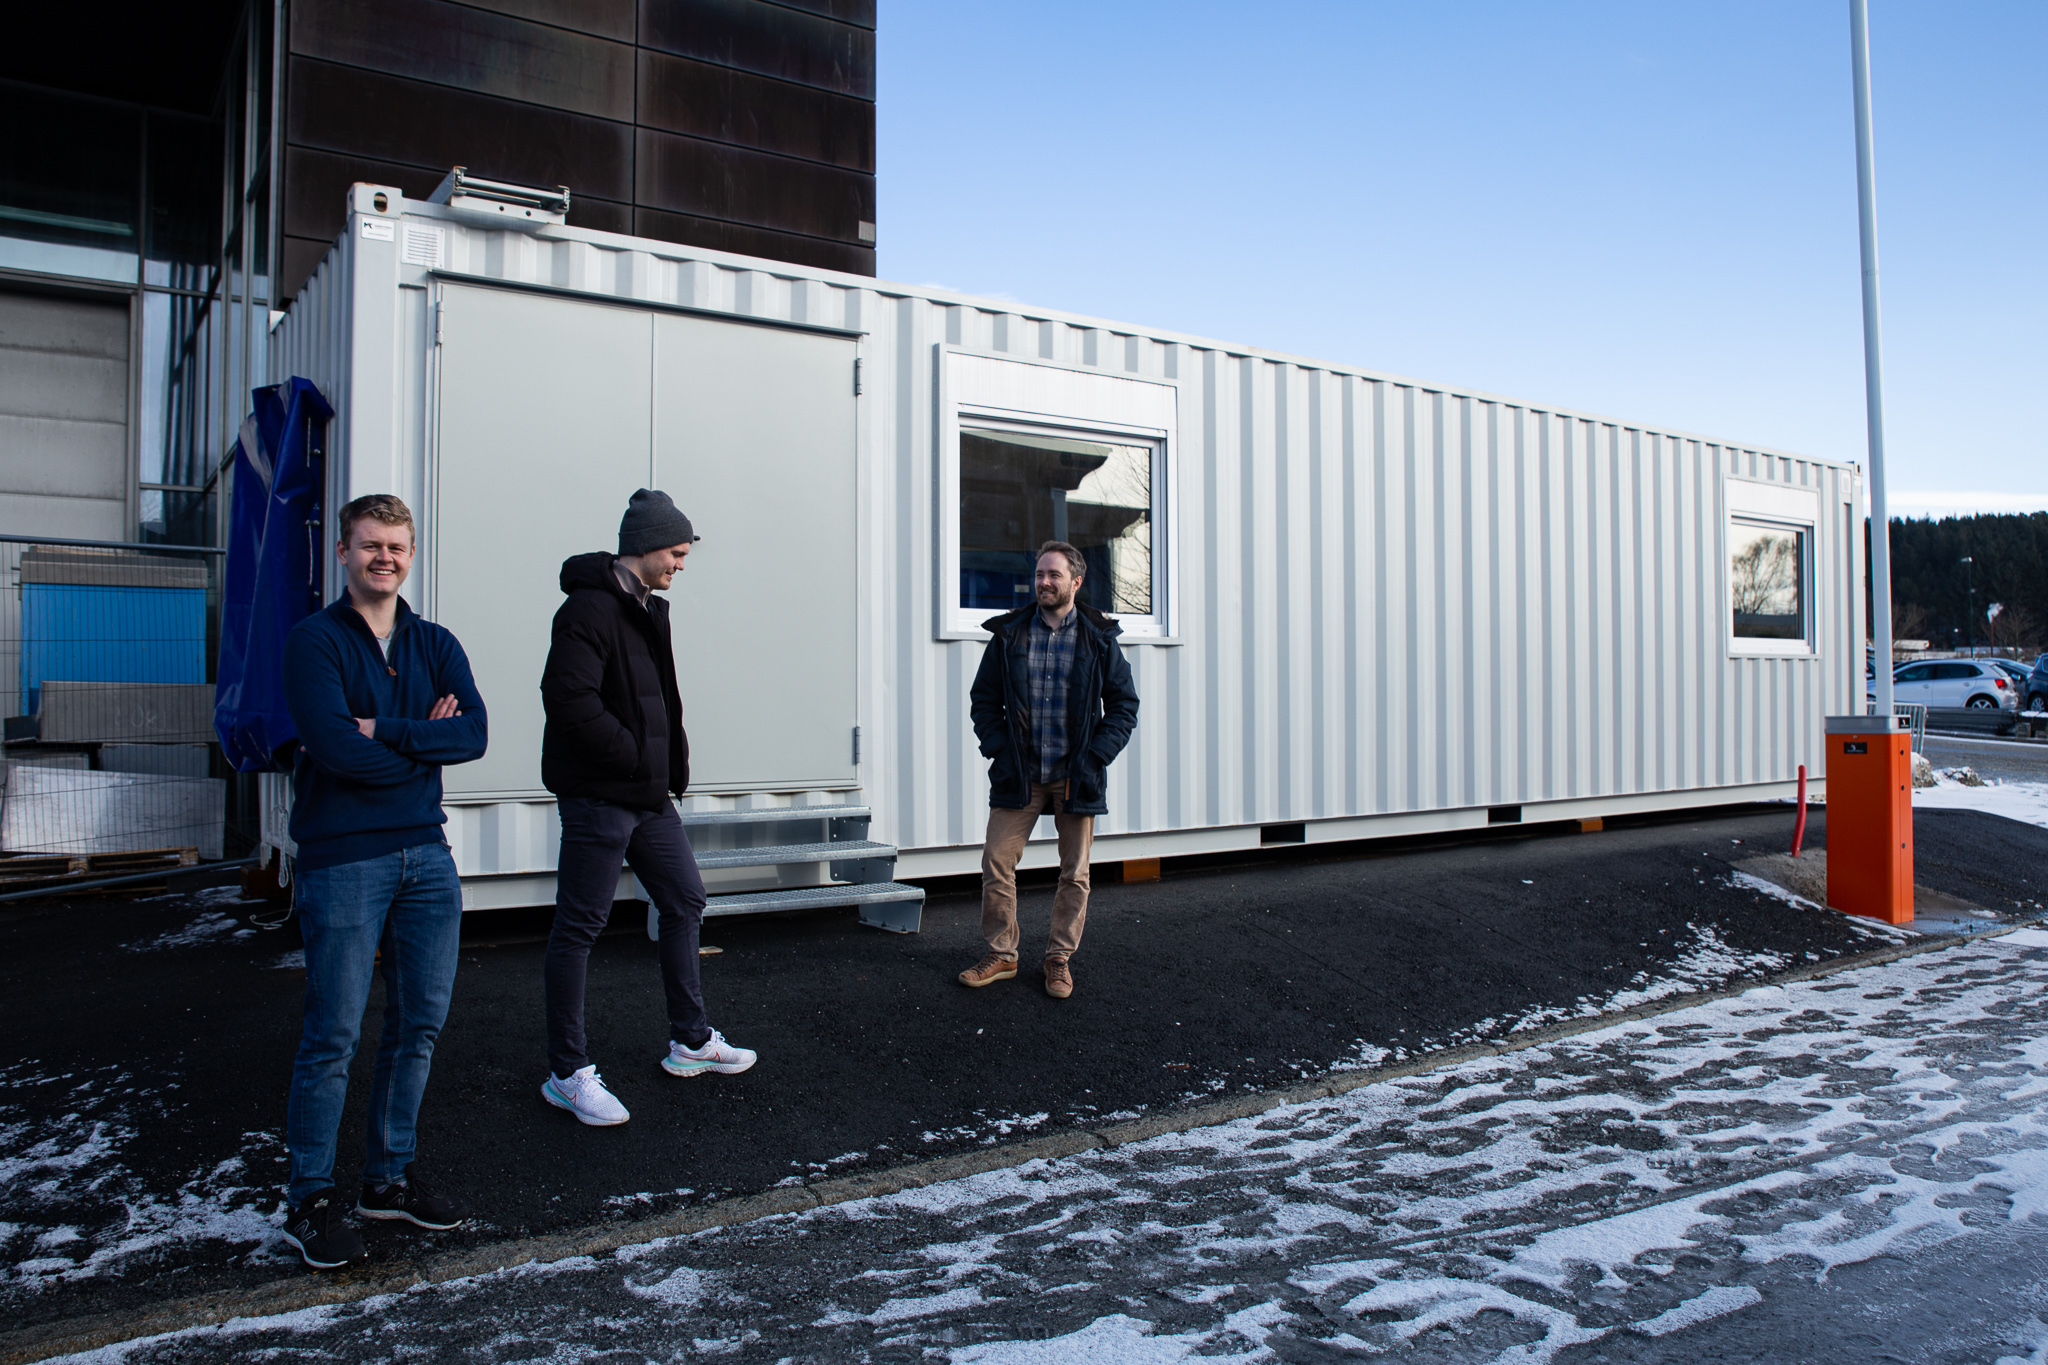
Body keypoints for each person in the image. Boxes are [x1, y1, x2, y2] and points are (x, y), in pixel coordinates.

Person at [278, 493, 488, 1269]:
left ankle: (386, 1180)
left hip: (426, 858)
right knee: (333, 1031)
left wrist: (391, 729)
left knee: (418, 1024)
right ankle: (309, 1195)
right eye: (370, 545)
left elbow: (475, 732)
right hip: (343, 859)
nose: (385, 558)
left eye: (397, 546)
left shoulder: (435, 642)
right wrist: (421, 747)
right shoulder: (315, 642)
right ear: (343, 552)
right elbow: (333, 747)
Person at [537, 488, 756, 1127]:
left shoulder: (648, 609)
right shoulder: (586, 610)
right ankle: (566, 1073)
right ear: (648, 546)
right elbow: (569, 701)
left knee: (686, 899)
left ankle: (691, 1044)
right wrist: (635, 755)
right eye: (678, 554)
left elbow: (659, 700)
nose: (681, 566)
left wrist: (666, 768)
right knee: (579, 927)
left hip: (649, 796)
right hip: (601, 796)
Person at [960, 540, 1140, 999]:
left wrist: (1096, 756)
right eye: (1040, 574)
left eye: (1054, 575)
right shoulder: (1011, 634)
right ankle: (1002, 954)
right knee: (997, 861)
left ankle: (1058, 958)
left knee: (1074, 871)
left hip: (1075, 775)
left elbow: (1123, 706)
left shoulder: (1098, 637)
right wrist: (999, 750)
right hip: (1019, 772)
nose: (1044, 582)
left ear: (1075, 582)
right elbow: (984, 700)